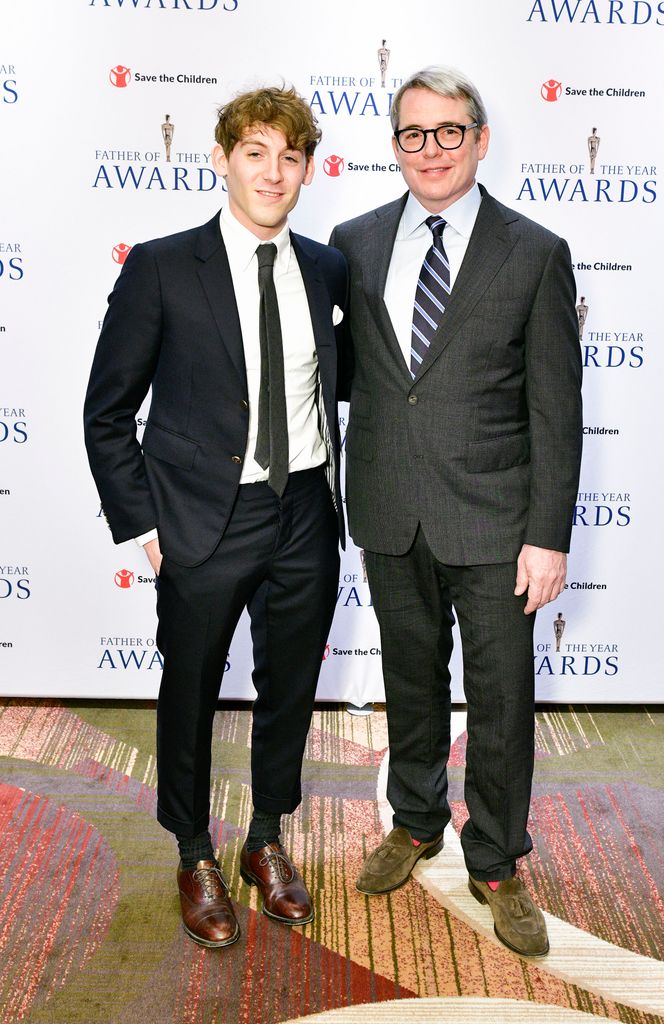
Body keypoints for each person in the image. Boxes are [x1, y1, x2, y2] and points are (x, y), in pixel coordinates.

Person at [85, 85, 348, 948]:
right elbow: (107, 411)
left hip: (304, 506)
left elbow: (333, 385)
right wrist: (144, 527)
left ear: (307, 168)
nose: (273, 172)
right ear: (221, 159)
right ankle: (194, 851)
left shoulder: (325, 267)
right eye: (255, 153)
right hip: (202, 518)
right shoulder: (162, 265)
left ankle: (265, 839)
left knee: (289, 691)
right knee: (190, 689)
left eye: (290, 157)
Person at [330, 66, 582, 958]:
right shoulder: (351, 241)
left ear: (478, 140)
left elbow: (555, 409)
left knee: (503, 699)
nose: (429, 150)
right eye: (412, 134)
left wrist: (547, 534)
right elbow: (337, 379)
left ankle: (498, 861)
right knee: (409, 681)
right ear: (393, 145)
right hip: (391, 508)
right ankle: (415, 820)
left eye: (447, 133)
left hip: (496, 520)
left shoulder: (534, 251)